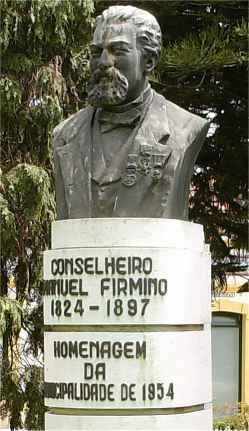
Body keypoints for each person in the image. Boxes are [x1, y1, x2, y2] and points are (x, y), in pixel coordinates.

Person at [53, 5, 209, 219]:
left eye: (118, 50)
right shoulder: (65, 135)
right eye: (96, 52)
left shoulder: (184, 129)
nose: (104, 63)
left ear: (149, 61)